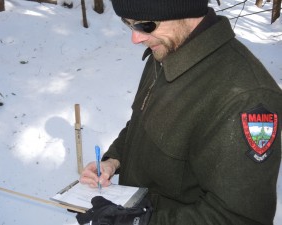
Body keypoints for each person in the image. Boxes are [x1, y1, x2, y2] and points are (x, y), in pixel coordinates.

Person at [80, 0, 282, 224]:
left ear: (183, 10)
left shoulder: (246, 97)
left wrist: (141, 222)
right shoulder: (168, 49)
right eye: (129, 24)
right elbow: (141, 122)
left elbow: (239, 218)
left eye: (145, 25)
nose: (135, 38)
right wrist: (113, 161)